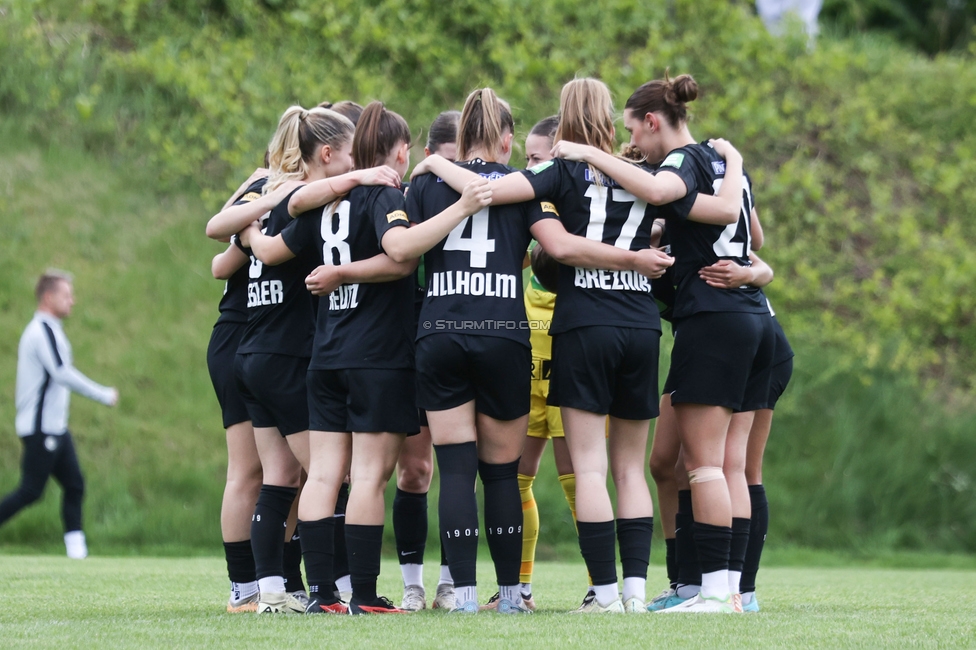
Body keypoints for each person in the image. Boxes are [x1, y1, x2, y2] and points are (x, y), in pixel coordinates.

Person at [550, 73, 772, 613]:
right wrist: (753, 266)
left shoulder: (680, 162)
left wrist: (584, 151)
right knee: (707, 462)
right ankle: (725, 590)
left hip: (712, 320)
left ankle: (716, 593)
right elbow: (750, 236)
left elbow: (655, 191)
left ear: (653, 121)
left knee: (707, 466)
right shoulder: (721, 164)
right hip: (754, 317)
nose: (634, 145)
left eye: (635, 131)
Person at [393, 109, 462, 612]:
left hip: (465, 331)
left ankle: (451, 579)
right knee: (415, 469)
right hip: (413, 336)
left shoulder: (484, 188)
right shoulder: (412, 193)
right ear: (431, 157)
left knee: (460, 467)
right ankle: (412, 583)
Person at [0, 270, 118, 559]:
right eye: (67, 295)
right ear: (49, 297)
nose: (72, 301)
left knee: (74, 484)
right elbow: (61, 372)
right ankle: (76, 551)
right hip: (42, 428)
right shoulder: (42, 330)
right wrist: (103, 394)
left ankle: (77, 553)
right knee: (30, 490)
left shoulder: (50, 329)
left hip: (55, 428)